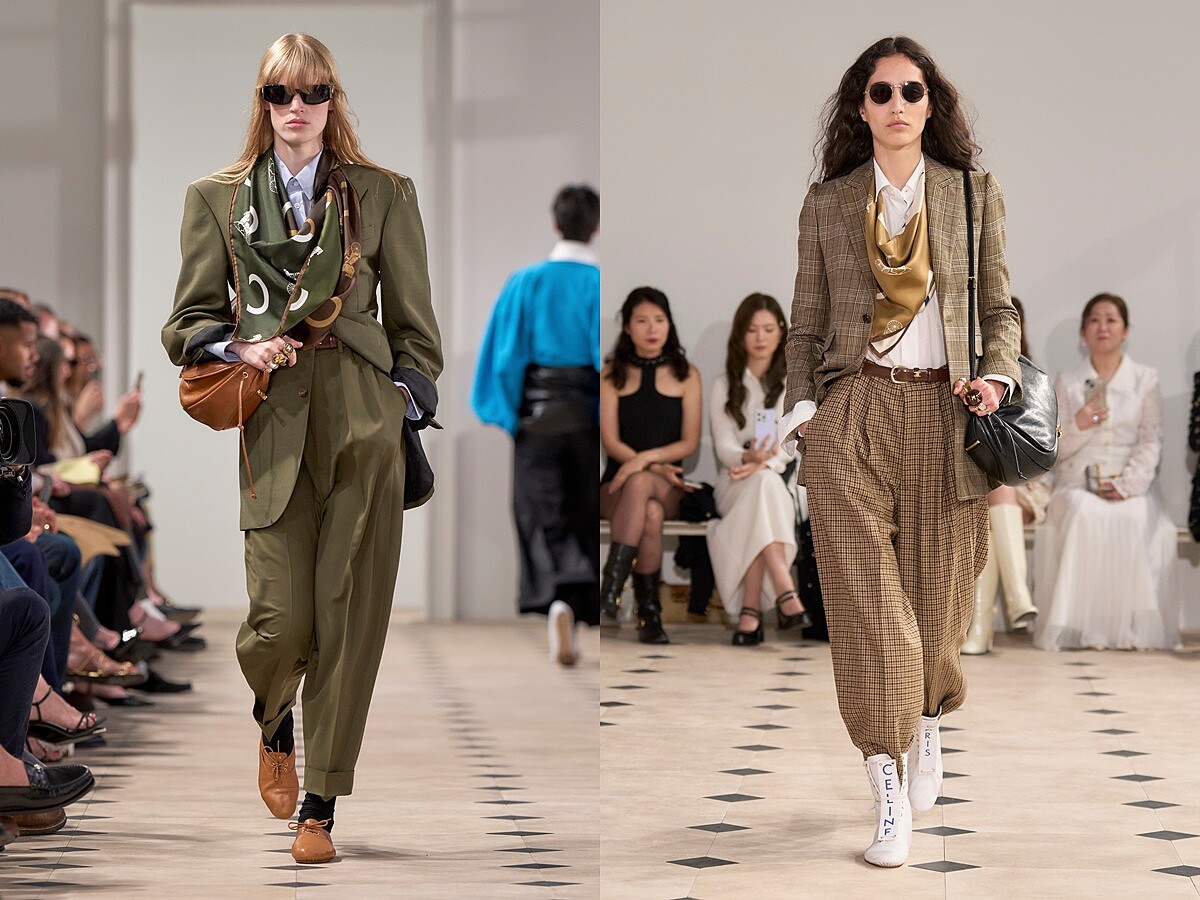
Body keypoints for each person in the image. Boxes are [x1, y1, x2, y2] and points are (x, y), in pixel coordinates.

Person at [161, 33, 441, 864]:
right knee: (280, 623)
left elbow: (415, 327)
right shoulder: (216, 199)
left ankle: (320, 804)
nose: (297, 108)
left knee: (350, 616)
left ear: (332, 100)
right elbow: (185, 322)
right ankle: (273, 716)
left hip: (363, 418)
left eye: (313, 92)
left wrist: (399, 399)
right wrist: (238, 346)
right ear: (263, 102)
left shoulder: (383, 193)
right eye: (280, 93)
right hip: (273, 422)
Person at [781, 36, 1022, 867]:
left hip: (950, 414)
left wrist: (996, 378)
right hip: (855, 412)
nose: (896, 105)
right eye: (880, 92)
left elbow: (999, 310)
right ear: (861, 105)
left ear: (930, 104)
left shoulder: (972, 194)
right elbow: (805, 323)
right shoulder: (827, 203)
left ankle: (927, 717)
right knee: (868, 608)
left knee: (939, 606)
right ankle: (884, 777)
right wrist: (805, 408)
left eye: (910, 91)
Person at [471, 185, 600, 667]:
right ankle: (574, 609)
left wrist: (510, 416)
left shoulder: (525, 282)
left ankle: (557, 605)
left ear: (554, 223)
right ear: (596, 226)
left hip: (535, 419)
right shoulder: (598, 283)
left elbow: (504, 357)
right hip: (587, 419)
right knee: (584, 515)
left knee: (541, 516)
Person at [1033, 293, 1179, 651]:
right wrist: (1078, 425)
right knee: (1084, 512)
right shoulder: (1067, 380)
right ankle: (1083, 629)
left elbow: (1150, 441)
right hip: (1077, 483)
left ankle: (1131, 629)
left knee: (1134, 515)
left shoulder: (1144, 379)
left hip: (1130, 484)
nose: (1103, 327)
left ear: (1125, 331)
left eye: (1111, 319)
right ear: (1083, 333)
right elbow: (1053, 447)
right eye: (1094, 320)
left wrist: (1128, 486)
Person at [706, 293, 811, 646]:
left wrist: (762, 464)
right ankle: (785, 588)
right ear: (740, 334)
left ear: (781, 332)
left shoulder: (791, 384)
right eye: (752, 330)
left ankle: (750, 611)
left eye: (768, 329)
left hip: (778, 480)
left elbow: (787, 447)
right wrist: (746, 459)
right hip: (734, 480)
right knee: (760, 488)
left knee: (763, 487)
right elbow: (724, 447)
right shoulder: (724, 385)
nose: (761, 337)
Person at [599, 287, 701, 645]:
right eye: (642, 321)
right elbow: (611, 442)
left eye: (659, 319)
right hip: (616, 486)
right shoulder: (610, 375)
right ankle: (649, 615)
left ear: (669, 324)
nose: (652, 328)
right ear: (628, 327)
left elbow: (689, 443)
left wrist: (644, 462)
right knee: (651, 513)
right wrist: (651, 466)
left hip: (667, 486)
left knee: (642, 484)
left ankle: (611, 587)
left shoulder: (687, 375)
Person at [960, 296, 1042, 654]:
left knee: (999, 492)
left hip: (1028, 482)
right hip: (981, 483)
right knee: (992, 498)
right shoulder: (968, 374)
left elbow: (1043, 445)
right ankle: (1016, 596)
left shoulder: (1031, 378)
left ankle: (981, 627)